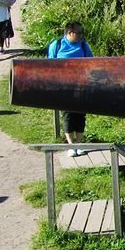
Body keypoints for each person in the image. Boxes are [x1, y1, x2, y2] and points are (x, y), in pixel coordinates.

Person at [46, 22, 95, 156]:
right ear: (69, 33)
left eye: (81, 33)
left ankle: (79, 144)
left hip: (81, 86)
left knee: (80, 115)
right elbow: (49, 65)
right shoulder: (56, 46)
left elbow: (92, 62)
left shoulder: (84, 46)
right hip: (63, 87)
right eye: (77, 33)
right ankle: (71, 145)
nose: (80, 36)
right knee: (67, 115)